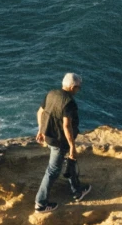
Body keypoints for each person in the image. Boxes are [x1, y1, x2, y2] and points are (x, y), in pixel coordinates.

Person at [34, 72, 87, 211]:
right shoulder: (69, 103)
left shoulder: (51, 94)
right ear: (72, 87)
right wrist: (72, 147)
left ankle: (77, 190)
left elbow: (40, 112)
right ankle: (40, 203)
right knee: (52, 171)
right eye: (78, 87)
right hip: (59, 141)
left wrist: (41, 130)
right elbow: (66, 126)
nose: (78, 90)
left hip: (49, 136)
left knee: (70, 162)